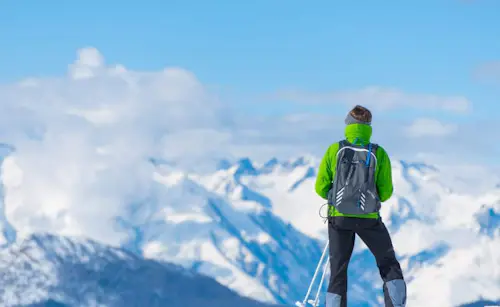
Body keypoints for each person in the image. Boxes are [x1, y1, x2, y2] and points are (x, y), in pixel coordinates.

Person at [315, 105, 407, 307]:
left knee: (338, 269)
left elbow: (320, 187)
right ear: (369, 126)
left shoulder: (335, 149)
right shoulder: (378, 153)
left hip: (339, 218)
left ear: (348, 124)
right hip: (369, 219)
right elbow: (386, 192)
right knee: (388, 264)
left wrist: (335, 197)